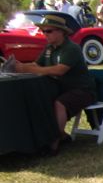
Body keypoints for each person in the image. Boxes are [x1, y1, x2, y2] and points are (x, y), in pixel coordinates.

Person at [13, 14, 97, 155]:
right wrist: (20, 66)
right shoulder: (49, 48)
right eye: (44, 31)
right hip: (59, 89)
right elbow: (36, 64)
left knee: (59, 103)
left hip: (82, 90)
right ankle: (58, 136)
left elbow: (59, 70)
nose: (45, 34)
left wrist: (29, 69)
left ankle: (53, 145)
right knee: (38, 100)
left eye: (49, 31)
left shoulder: (71, 49)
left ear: (61, 32)